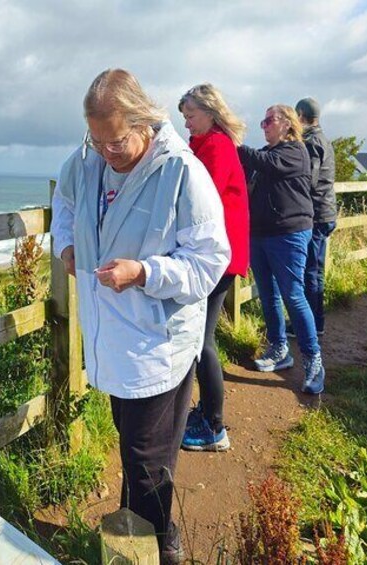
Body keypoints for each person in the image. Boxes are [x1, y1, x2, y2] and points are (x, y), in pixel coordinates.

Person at [51, 69, 230, 564]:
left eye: (116, 140)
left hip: (158, 344)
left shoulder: (181, 172)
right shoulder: (87, 160)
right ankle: (137, 545)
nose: (107, 151)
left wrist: (145, 273)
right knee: (136, 454)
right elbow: (63, 202)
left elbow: (209, 259)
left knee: (146, 464)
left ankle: (155, 549)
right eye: (97, 139)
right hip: (112, 340)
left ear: (143, 120)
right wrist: (66, 244)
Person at [177, 84, 249, 452]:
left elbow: (201, 201)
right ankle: (206, 412)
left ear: (209, 111)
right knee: (199, 337)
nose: (186, 123)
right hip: (217, 255)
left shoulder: (217, 146)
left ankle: (214, 427)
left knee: (202, 340)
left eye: (190, 115)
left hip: (218, 257)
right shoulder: (205, 145)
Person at [238, 105, 326, 395]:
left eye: (269, 120)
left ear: (288, 124)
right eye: (261, 121)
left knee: (293, 294)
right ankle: (279, 348)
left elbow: (266, 163)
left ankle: (313, 359)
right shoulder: (267, 153)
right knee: (268, 293)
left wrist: (234, 143)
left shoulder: (295, 151)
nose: (263, 125)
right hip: (260, 234)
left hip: (288, 234)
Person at [287, 97, 336, 338]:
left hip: (316, 214)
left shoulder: (310, 142)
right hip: (326, 211)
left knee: (310, 271)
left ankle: (310, 325)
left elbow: (310, 179)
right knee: (315, 271)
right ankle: (316, 321)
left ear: (300, 116)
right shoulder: (324, 139)